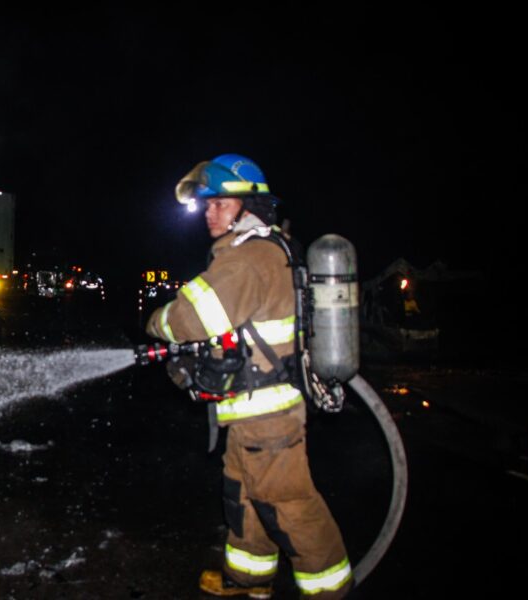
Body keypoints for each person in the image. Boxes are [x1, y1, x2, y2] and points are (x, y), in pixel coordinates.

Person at [146, 154, 353, 599]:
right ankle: (248, 581)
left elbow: (188, 319)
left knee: (290, 508)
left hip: (269, 417)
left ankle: (333, 592)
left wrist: (157, 323)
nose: (208, 213)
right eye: (208, 205)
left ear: (247, 207)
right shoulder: (263, 251)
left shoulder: (249, 259)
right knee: (244, 499)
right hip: (252, 413)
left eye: (218, 203)